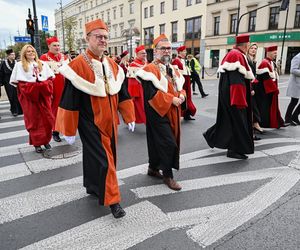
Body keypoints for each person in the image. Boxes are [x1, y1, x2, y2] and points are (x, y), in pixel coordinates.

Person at [55, 19, 135, 219]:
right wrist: (69, 129)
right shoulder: (77, 65)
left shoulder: (112, 65)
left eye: (105, 37)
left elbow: (122, 92)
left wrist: (128, 115)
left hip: (111, 122)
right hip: (90, 123)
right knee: (106, 161)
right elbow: (69, 100)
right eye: (98, 36)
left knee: (100, 158)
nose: (103, 40)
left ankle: (93, 186)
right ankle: (113, 201)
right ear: (87, 38)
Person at [136, 34, 186, 191]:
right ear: (155, 51)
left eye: (169, 48)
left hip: (172, 111)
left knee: (156, 141)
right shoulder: (149, 69)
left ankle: (152, 168)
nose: (166, 51)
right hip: (157, 112)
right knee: (168, 144)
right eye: (163, 48)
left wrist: (182, 94)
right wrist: (171, 99)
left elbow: (179, 87)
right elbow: (151, 94)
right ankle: (167, 176)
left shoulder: (172, 68)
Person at [203, 34, 254, 160]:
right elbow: (236, 81)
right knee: (237, 122)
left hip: (232, 95)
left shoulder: (236, 54)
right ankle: (234, 150)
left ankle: (211, 136)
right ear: (246, 45)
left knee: (228, 121)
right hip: (235, 96)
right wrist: (239, 100)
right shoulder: (236, 55)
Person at [10, 44, 54, 153]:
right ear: (24, 53)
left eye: (32, 51)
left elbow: (50, 81)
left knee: (46, 119)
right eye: (28, 51)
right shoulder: (19, 66)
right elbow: (21, 85)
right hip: (29, 98)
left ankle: (46, 140)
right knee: (33, 120)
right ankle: (37, 143)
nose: (31, 53)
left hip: (43, 97)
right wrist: (36, 87)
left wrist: (42, 86)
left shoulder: (42, 64)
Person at [40, 37, 69, 142]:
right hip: (52, 88)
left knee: (66, 109)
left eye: (58, 45)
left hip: (65, 86)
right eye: (54, 45)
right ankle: (55, 131)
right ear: (49, 46)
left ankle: (65, 130)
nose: (57, 47)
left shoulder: (64, 57)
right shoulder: (44, 57)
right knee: (55, 110)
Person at [256, 45, 284, 128]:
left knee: (268, 107)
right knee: (264, 107)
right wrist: (274, 89)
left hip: (268, 90)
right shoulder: (264, 63)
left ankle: (269, 122)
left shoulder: (271, 62)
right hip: (264, 91)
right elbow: (266, 78)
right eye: (274, 53)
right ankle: (264, 123)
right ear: (269, 53)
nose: (276, 55)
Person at [172, 46, 197, 120]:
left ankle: (187, 113)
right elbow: (175, 74)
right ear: (180, 52)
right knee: (183, 98)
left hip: (186, 81)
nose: (185, 52)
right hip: (182, 82)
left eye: (185, 51)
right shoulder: (176, 60)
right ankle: (181, 114)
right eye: (184, 51)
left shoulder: (183, 60)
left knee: (188, 97)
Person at [127, 45, 147, 124]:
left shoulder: (146, 63)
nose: (144, 55)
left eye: (145, 53)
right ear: (137, 54)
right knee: (141, 107)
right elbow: (131, 81)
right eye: (142, 53)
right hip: (139, 89)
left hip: (146, 87)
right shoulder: (133, 64)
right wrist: (134, 93)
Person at [246, 43, 263, 138]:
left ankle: (254, 125)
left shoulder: (253, 61)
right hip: (248, 87)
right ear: (248, 49)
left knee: (253, 107)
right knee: (251, 108)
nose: (253, 50)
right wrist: (251, 88)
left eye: (255, 48)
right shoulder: (247, 60)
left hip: (253, 86)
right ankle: (254, 126)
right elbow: (248, 76)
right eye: (251, 48)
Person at [0, 49, 23, 116]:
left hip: (16, 81)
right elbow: (1, 73)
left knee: (17, 95)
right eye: (12, 54)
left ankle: (19, 110)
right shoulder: (4, 63)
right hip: (7, 82)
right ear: (8, 56)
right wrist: (1, 82)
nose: (14, 56)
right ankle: (14, 110)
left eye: (14, 54)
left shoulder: (17, 62)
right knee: (11, 96)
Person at [285, 52, 300, 125]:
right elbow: (293, 70)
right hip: (296, 83)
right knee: (294, 101)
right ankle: (287, 119)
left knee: (294, 101)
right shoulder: (297, 57)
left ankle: (295, 116)